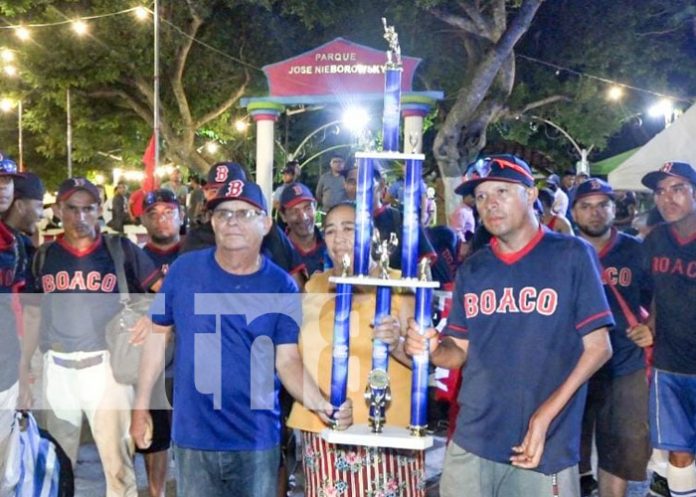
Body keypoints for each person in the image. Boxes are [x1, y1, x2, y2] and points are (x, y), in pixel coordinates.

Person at [406, 154, 614, 497]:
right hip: (473, 437)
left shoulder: (572, 255)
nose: (490, 204)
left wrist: (544, 416)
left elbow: (599, 347)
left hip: (542, 445)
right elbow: (458, 351)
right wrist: (430, 349)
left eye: (502, 191)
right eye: (482, 196)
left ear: (531, 195)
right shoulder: (474, 269)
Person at [130, 178, 351, 497]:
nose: (232, 220)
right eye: (223, 213)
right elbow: (157, 333)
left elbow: (287, 360)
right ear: (213, 223)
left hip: (256, 441)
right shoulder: (183, 272)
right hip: (194, 439)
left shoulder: (281, 287)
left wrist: (320, 403)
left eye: (244, 213)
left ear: (265, 224)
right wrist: (141, 406)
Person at [22, 177, 162, 497]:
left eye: (88, 208)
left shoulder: (119, 249)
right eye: (71, 208)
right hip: (56, 367)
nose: (80, 217)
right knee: (57, 464)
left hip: (107, 368)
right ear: (57, 210)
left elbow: (166, 292)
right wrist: (25, 369)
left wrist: (152, 316)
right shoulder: (44, 256)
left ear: (100, 210)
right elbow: (32, 316)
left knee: (118, 466)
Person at [286, 202, 425, 497]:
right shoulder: (315, 286)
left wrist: (397, 345)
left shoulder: (399, 286)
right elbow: (293, 357)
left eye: (349, 228)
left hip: (387, 433)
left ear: (372, 235)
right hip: (324, 430)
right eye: (331, 231)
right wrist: (321, 404)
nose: (339, 238)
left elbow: (426, 364)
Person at [572, 178, 652, 497]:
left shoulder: (635, 250)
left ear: (613, 208)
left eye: (602, 205)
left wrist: (652, 327)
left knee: (620, 451)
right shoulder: (560, 251)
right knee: (566, 451)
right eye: (586, 206)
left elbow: (660, 296)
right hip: (571, 367)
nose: (595, 213)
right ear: (574, 212)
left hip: (624, 364)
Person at [639, 161, 696, 497]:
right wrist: (650, 323)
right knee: (678, 451)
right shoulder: (656, 239)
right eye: (660, 191)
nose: (667, 198)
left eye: (678, 188)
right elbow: (656, 292)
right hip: (669, 364)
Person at [181, 162, 306, 288]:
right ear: (206, 193)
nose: (224, 194)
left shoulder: (268, 229)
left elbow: (296, 282)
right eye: (214, 190)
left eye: (231, 189)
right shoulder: (195, 239)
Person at [138, 188, 183, 497]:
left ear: (181, 215)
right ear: (143, 220)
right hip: (154, 352)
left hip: (195, 349)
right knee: (156, 431)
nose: (162, 219)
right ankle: (157, 493)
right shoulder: (135, 255)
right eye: (154, 214)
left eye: (168, 212)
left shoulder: (196, 250)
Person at [344, 165, 436, 270]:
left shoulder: (405, 222)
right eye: (352, 182)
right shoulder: (340, 223)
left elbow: (424, 268)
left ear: (381, 185)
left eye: (365, 181)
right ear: (345, 185)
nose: (358, 188)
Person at [0, 156, 25, 478]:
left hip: (6, 367)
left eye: (7, 181)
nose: (3, 188)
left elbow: (19, 307)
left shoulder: (15, 242)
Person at [279, 182, 327, 276]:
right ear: (283, 216)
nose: (304, 217)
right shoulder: (277, 251)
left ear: (315, 208)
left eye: (308, 208)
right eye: (294, 211)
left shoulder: (331, 245)